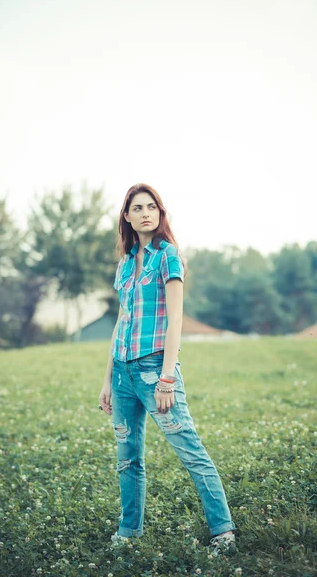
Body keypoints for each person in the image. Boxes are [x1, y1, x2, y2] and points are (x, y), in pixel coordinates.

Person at [98, 183, 237, 556]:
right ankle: (129, 531)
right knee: (127, 458)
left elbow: (176, 320)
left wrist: (166, 377)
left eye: (152, 207)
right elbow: (121, 321)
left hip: (154, 370)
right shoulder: (125, 265)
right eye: (137, 208)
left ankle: (223, 532)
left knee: (190, 449)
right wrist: (108, 378)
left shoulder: (168, 256)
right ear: (126, 217)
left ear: (160, 213)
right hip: (124, 373)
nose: (146, 213)